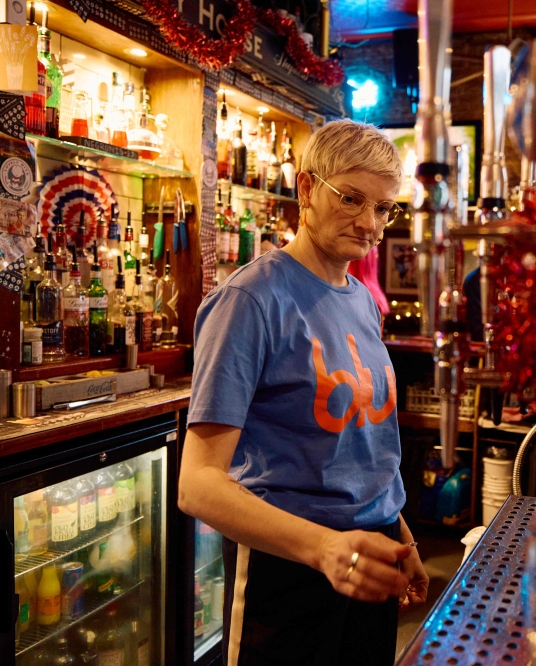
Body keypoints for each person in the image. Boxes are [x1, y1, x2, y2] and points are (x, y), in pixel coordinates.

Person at [179, 120, 429, 666]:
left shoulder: (360, 298)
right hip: (290, 569)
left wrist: (399, 532)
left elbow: (361, 446)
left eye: (384, 208)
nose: (370, 223)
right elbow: (197, 485)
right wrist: (323, 549)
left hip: (369, 557)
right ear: (307, 188)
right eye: (352, 199)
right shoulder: (250, 300)